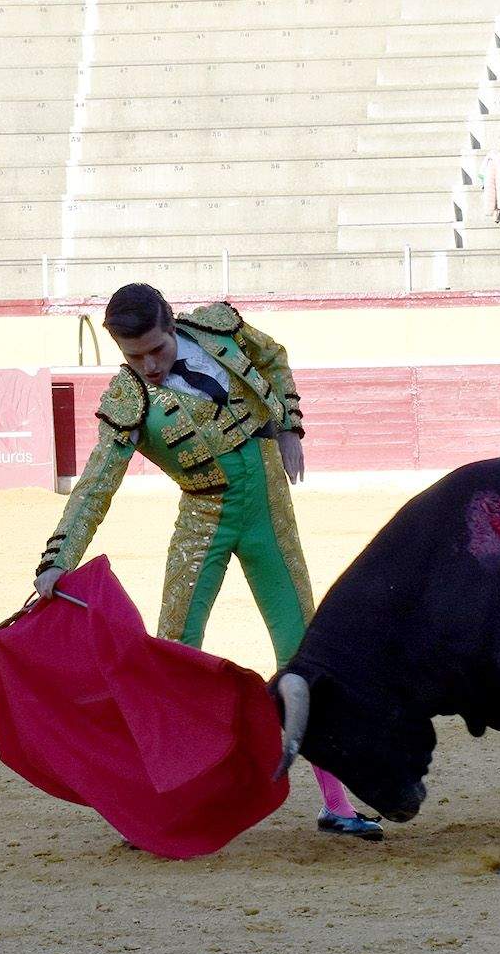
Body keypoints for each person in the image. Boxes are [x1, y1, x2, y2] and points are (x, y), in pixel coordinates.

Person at [32, 283, 383, 840]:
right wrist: (58, 559)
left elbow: (274, 357)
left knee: (304, 648)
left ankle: (336, 804)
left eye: (156, 350)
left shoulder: (219, 328)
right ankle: (160, 802)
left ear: (173, 327)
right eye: (134, 357)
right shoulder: (128, 401)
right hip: (205, 517)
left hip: (269, 505)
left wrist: (289, 425)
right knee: (173, 656)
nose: (148, 366)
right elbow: (96, 484)